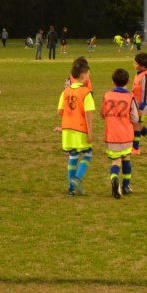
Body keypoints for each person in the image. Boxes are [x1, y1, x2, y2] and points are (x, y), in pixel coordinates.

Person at [102, 68, 141, 198]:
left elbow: (103, 113)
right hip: (126, 135)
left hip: (111, 135)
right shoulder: (130, 97)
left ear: (113, 82)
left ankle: (114, 178)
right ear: (128, 81)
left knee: (115, 161)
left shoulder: (107, 95)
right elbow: (135, 118)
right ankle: (125, 186)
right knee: (126, 159)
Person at [58, 59, 95, 196]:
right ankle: (76, 179)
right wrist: (90, 132)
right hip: (80, 129)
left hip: (67, 129)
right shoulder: (85, 93)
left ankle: (70, 190)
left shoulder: (66, 91)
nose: (89, 78)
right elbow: (88, 113)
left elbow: (60, 111)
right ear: (83, 76)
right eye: (88, 75)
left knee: (73, 156)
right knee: (87, 154)